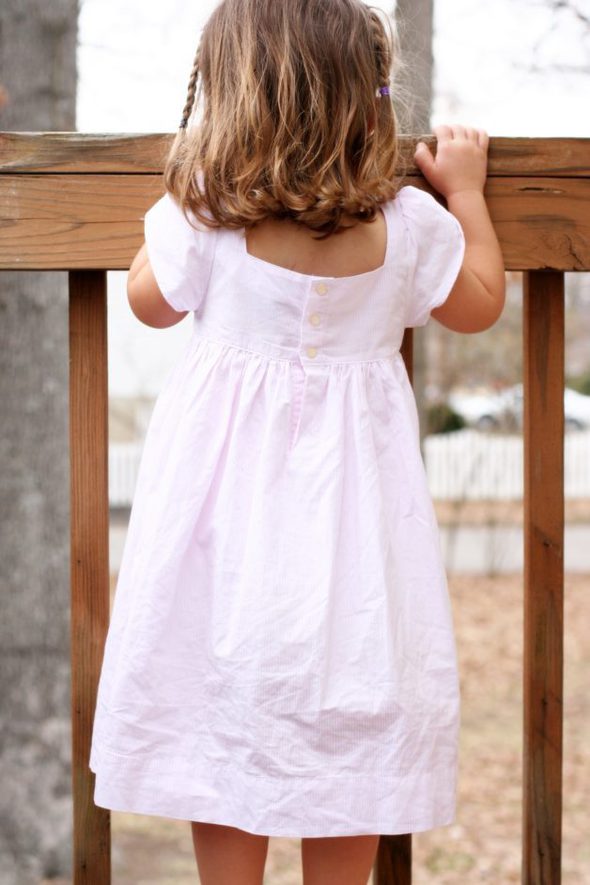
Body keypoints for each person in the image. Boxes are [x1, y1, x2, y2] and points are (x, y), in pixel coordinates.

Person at [88, 1, 505, 883]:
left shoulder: (206, 215)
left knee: (221, 700)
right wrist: (464, 193)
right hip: (356, 530)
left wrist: (182, 191)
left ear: (236, 99)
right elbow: (479, 302)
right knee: (352, 703)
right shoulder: (405, 227)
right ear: (366, 98)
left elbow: (146, 300)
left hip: (225, 528)